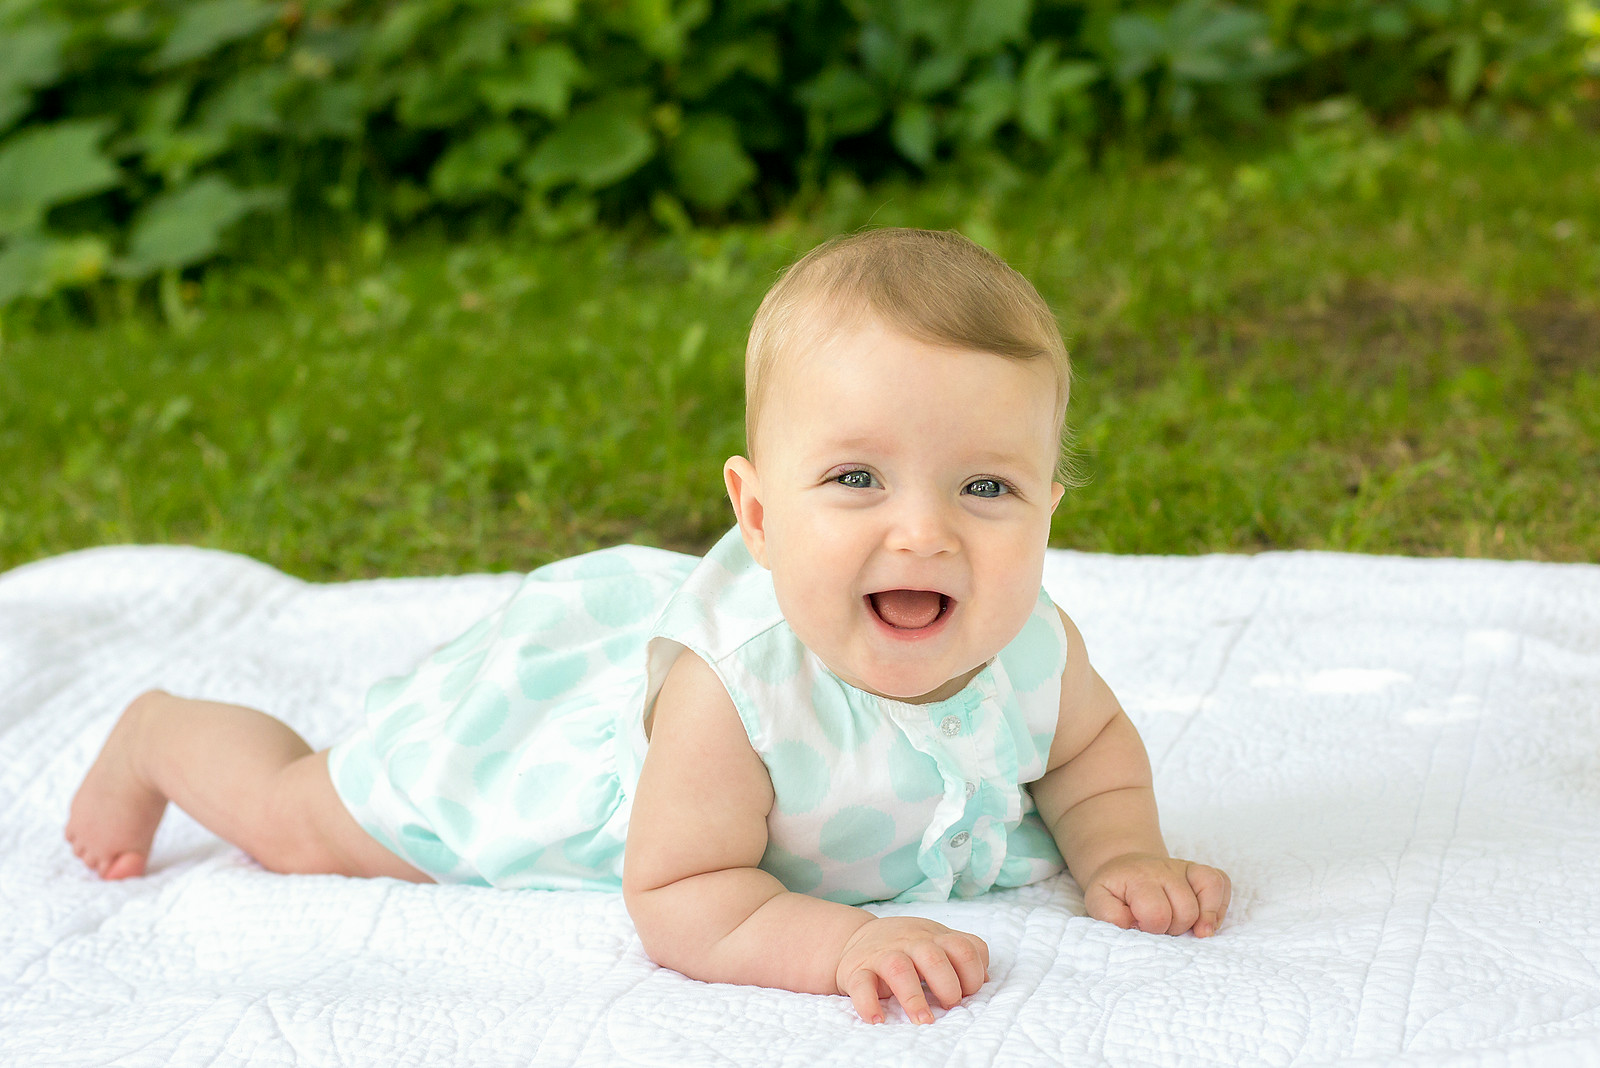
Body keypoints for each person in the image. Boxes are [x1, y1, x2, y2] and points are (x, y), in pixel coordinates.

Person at [66, 227, 1231, 1026]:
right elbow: (679, 897)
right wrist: (841, 948)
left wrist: (1120, 851)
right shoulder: (736, 695)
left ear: (1047, 513)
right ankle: (162, 734)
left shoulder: (1034, 645)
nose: (924, 534)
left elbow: (1087, 756)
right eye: (857, 480)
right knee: (303, 819)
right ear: (757, 514)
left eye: (986, 490)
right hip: (553, 767)